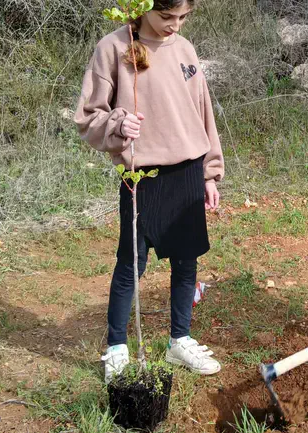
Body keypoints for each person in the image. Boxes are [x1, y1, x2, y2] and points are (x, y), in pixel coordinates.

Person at [74, 0, 224, 384]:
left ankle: (180, 339)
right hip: (143, 174)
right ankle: (118, 348)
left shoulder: (185, 49)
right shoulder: (114, 47)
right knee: (131, 262)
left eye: (183, 17)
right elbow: (89, 117)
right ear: (143, 9)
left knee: (186, 260)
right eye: (166, 17)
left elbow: (202, 113)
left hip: (189, 169)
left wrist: (209, 172)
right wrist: (119, 124)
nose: (175, 25)